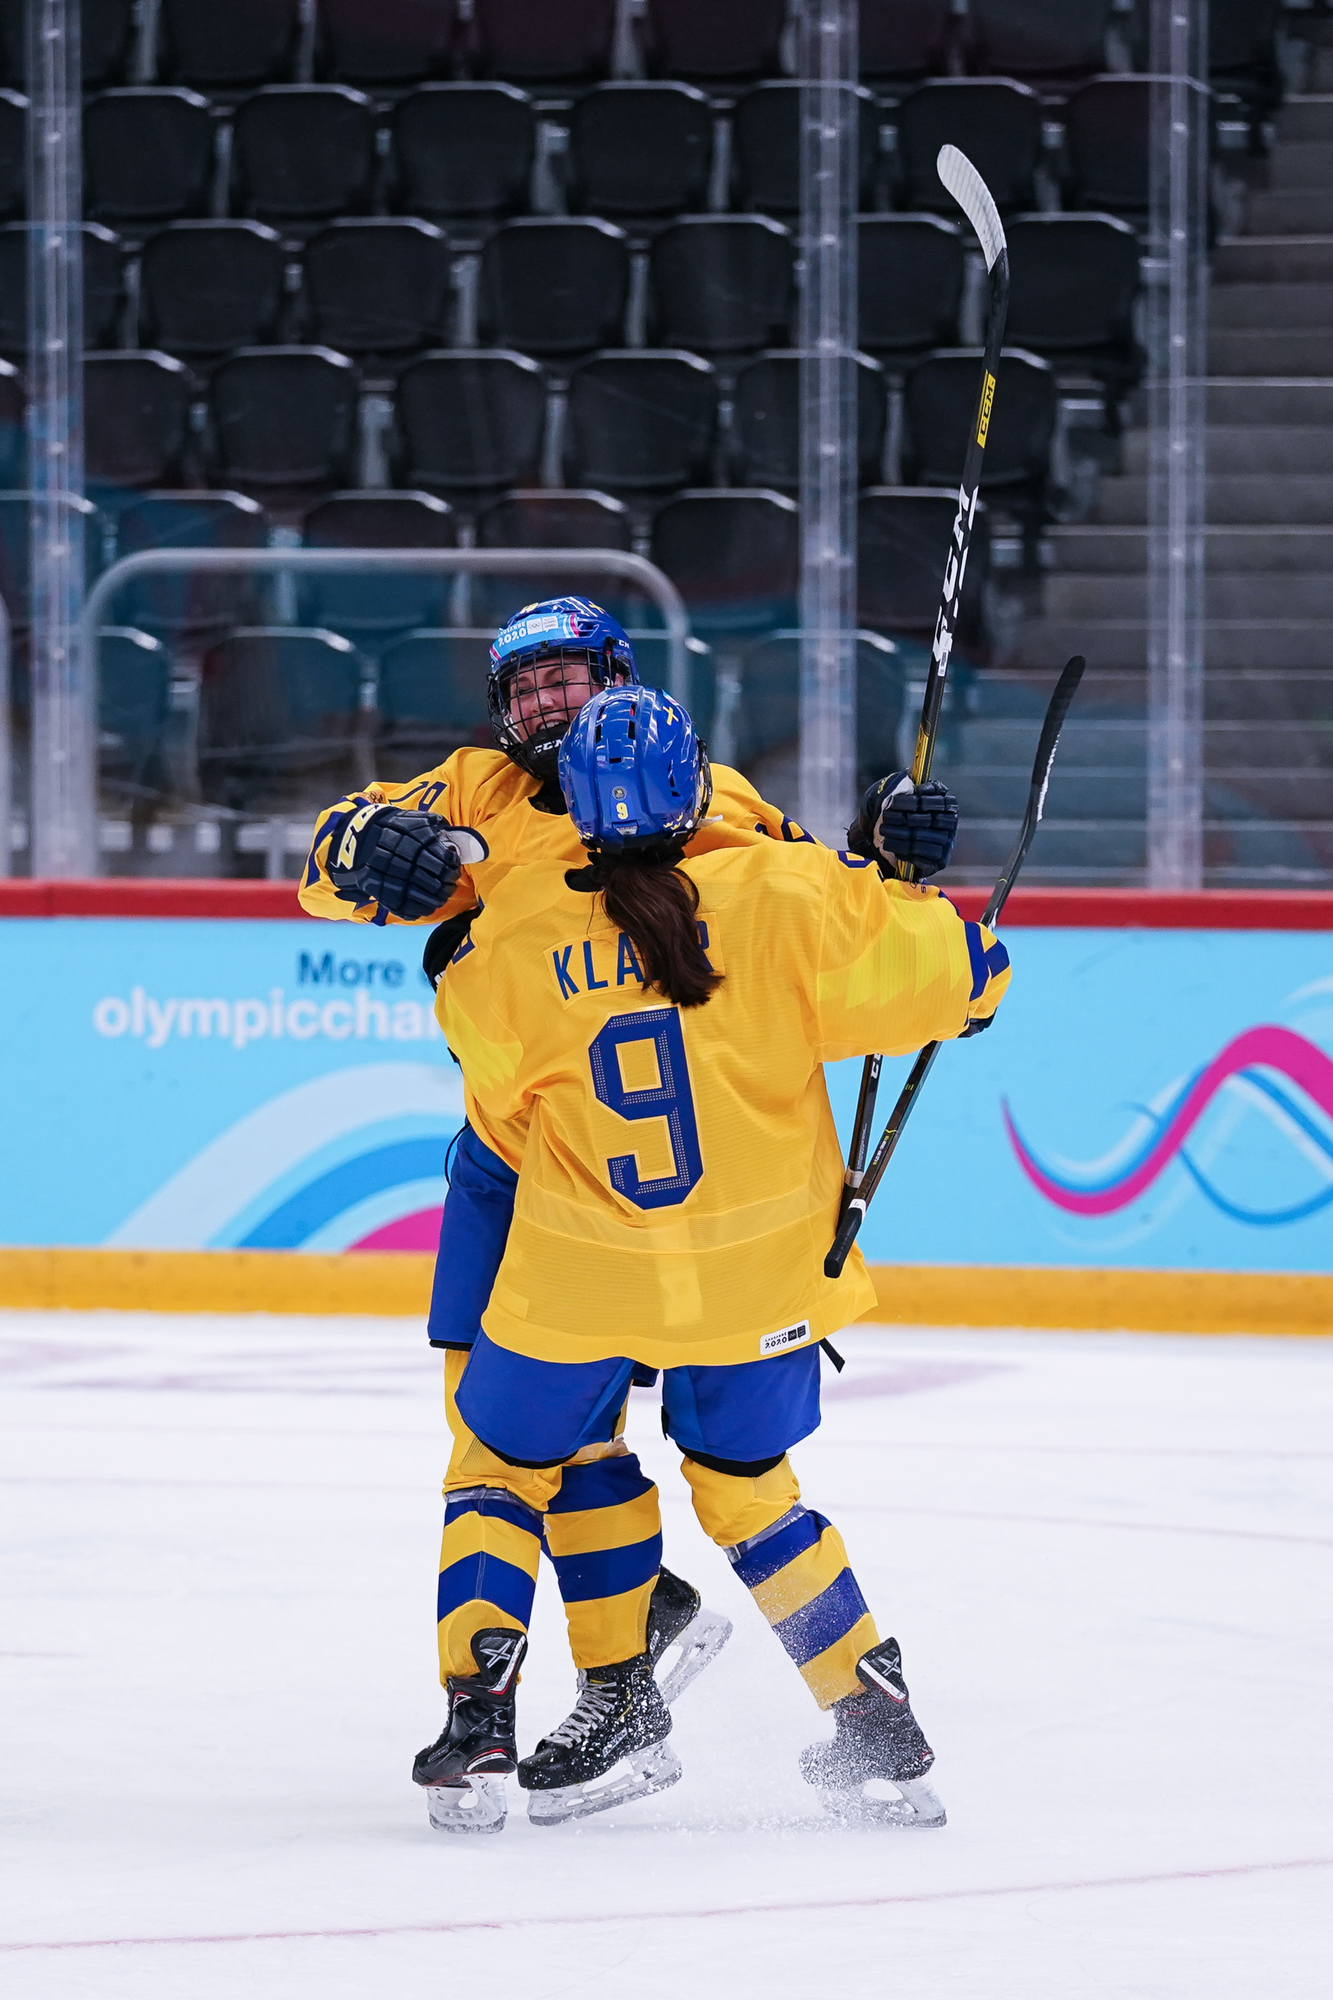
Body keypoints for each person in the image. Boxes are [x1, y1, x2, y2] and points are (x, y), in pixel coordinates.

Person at [296, 599, 848, 1831]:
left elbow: (822, 897)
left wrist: (891, 868)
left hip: (613, 1174)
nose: (545, 702)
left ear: (617, 677)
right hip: (505, 1157)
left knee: (533, 1432)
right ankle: (643, 1617)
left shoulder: (713, 796)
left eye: (566, 679)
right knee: (492, 1412)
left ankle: (617, 1672)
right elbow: (326, 865)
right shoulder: (473, 787)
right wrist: (359, 846)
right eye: (525, 684)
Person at [434, 682, 1008, 1829]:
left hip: (585, 1279)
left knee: (499, 1467)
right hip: (762, 1286)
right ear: (699, 786)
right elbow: (974, 982)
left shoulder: (516, 936)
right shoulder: (797, 895)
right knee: (753, 1494)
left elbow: (495, 1092)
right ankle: (874, 1721)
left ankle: (478, 1719)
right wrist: (900, 883)